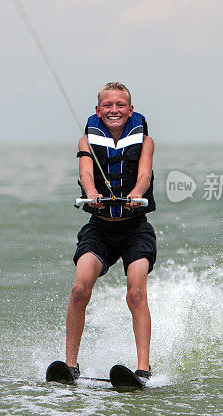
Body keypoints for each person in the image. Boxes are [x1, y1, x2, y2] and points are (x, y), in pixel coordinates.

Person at [65, 82, 157, 382]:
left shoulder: (145, 141)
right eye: (108, 105)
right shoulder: (85, 141)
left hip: (135, 230)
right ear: (97, 110)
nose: (114, 110)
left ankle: (143, 369)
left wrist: (136, 192)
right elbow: (85, 174)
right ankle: (70, 364)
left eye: (120, 105)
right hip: (100, 230)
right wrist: (91, 192)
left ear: (130, 110)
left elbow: (144, 174)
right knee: (80, 288)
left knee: (135, 291)